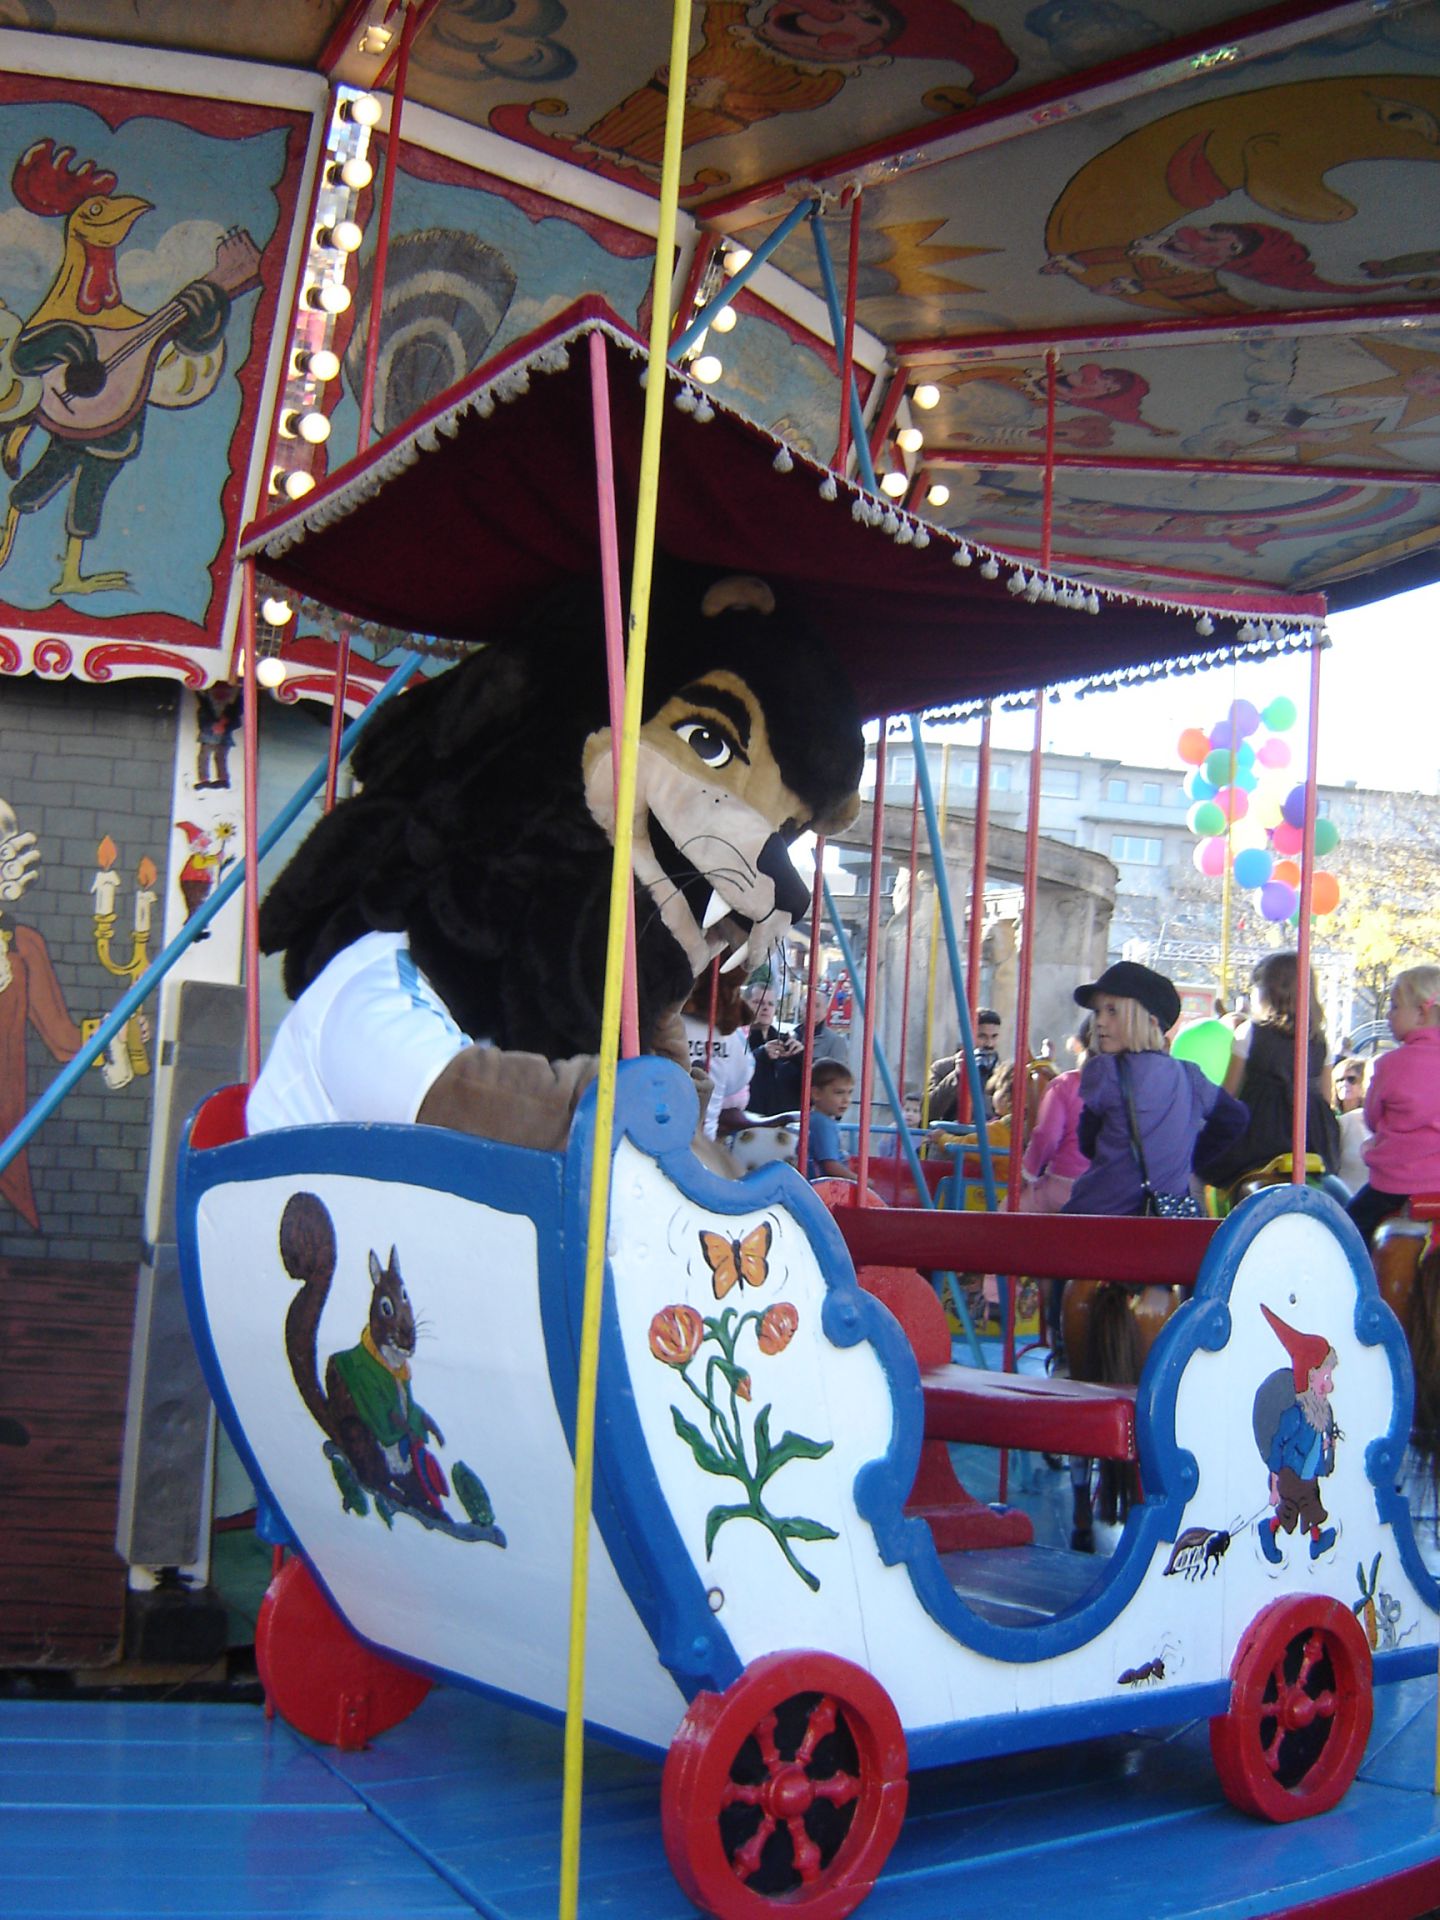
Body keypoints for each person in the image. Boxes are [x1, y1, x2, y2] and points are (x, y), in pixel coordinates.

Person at [1065, 962, 1247, 1218]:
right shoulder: (1190, 1076)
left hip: (1101, 1211)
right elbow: (1235, 1118)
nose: (1100, 1022)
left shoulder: (1105, 1071)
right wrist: (1187, 1160)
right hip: (1166, 1213)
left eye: (1112, 1011)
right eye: (1098, 1012)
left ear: (1148, 1021)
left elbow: (1087, 1144)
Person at [1196, 951, 1341, 1196]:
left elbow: (1228, 1094)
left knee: (1200, 1172)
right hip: (1310, 1138)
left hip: (1257, 1139)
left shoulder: (1250, 1032)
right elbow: (1326, 1098)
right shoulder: (1319, 1040)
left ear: (1267, 991)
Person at [1347, 965, 1440, 1242]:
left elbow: (1373, 1118)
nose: (1389, 1015)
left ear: (1421, 1014)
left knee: (1346, 1231)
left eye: (1395, 1007)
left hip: (1396, 1185)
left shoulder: (1390, 1064)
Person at [680, 974, 755, 1140]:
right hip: (707, 1134)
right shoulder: (732, 1036)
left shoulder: (670, 1024)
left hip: (662, 1126)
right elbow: (740, 1078)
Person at [927, 1007, 1001, 1122]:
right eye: (982, 1036)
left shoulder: (1002, 1071)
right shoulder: (943, 1068)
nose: (989, 1044)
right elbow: (929, 1111)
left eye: (994, 1036)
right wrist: (957, 1075)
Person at [747, 982, 803, 1116]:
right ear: (744, 1005)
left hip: (784, 1122)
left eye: (770, 1004)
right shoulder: (734, 1040)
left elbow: (811, 1089)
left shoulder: (787, 1043)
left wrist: (802, 1059)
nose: (765, 1008)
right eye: (758, 1002)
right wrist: (759, 1055)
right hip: (748, 1120)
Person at [806, 1060, 854, 1181]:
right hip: (825, 1186)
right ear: (816, 1093)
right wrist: (861, 1181)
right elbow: (831, 1166)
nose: (846, 1100)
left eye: (849, 1093)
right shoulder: (823, 1124)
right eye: (839, 1093)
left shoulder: (814, 1119)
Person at [1332, 1055, 1372, 1194]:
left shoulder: (1371, 1119)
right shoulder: (1333, 1120)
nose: (1344, 1084)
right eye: (1339, 1080)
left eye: (1351, 1079)